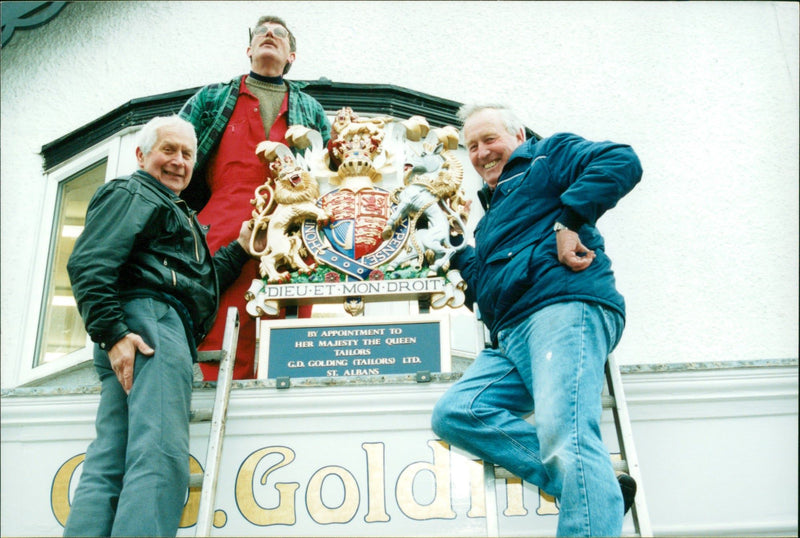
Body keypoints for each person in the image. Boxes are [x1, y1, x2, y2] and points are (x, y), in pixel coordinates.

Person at [431, 104, 642, 537]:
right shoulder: (491, 217)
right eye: (472, 146)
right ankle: (594, 485)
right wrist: (456, 253)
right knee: (456, 412)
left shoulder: (549, 155)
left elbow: (622, 160)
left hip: (559, 309)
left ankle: (588, 487)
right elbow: (492, 284)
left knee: (566, 433)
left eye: (490, 139)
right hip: (510, 333)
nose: (481, 152)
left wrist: (569, 220)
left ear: (519, 135)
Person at [63, 115, 255, 537]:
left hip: (133, 326)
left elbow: (194, 283)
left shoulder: (160, 207)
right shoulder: (135, 192)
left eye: (187, 154)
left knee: (110, 460)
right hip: (151, 326)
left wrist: (239, 249)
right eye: (168, 150)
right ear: (141, 155)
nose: (179, 162)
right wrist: (113, 332)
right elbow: (88, 262)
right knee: (160, 455)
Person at [179, 15, 331, 380]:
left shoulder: (311, 108)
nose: (269, 35)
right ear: (249, 50)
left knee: (291, 322)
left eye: (279, 34)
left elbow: (326, 172)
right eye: (261, 32)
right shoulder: (212, 97)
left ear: (290, 55)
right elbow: (175, 149)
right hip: (225, 219)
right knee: (219, 316)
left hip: (295, 224)